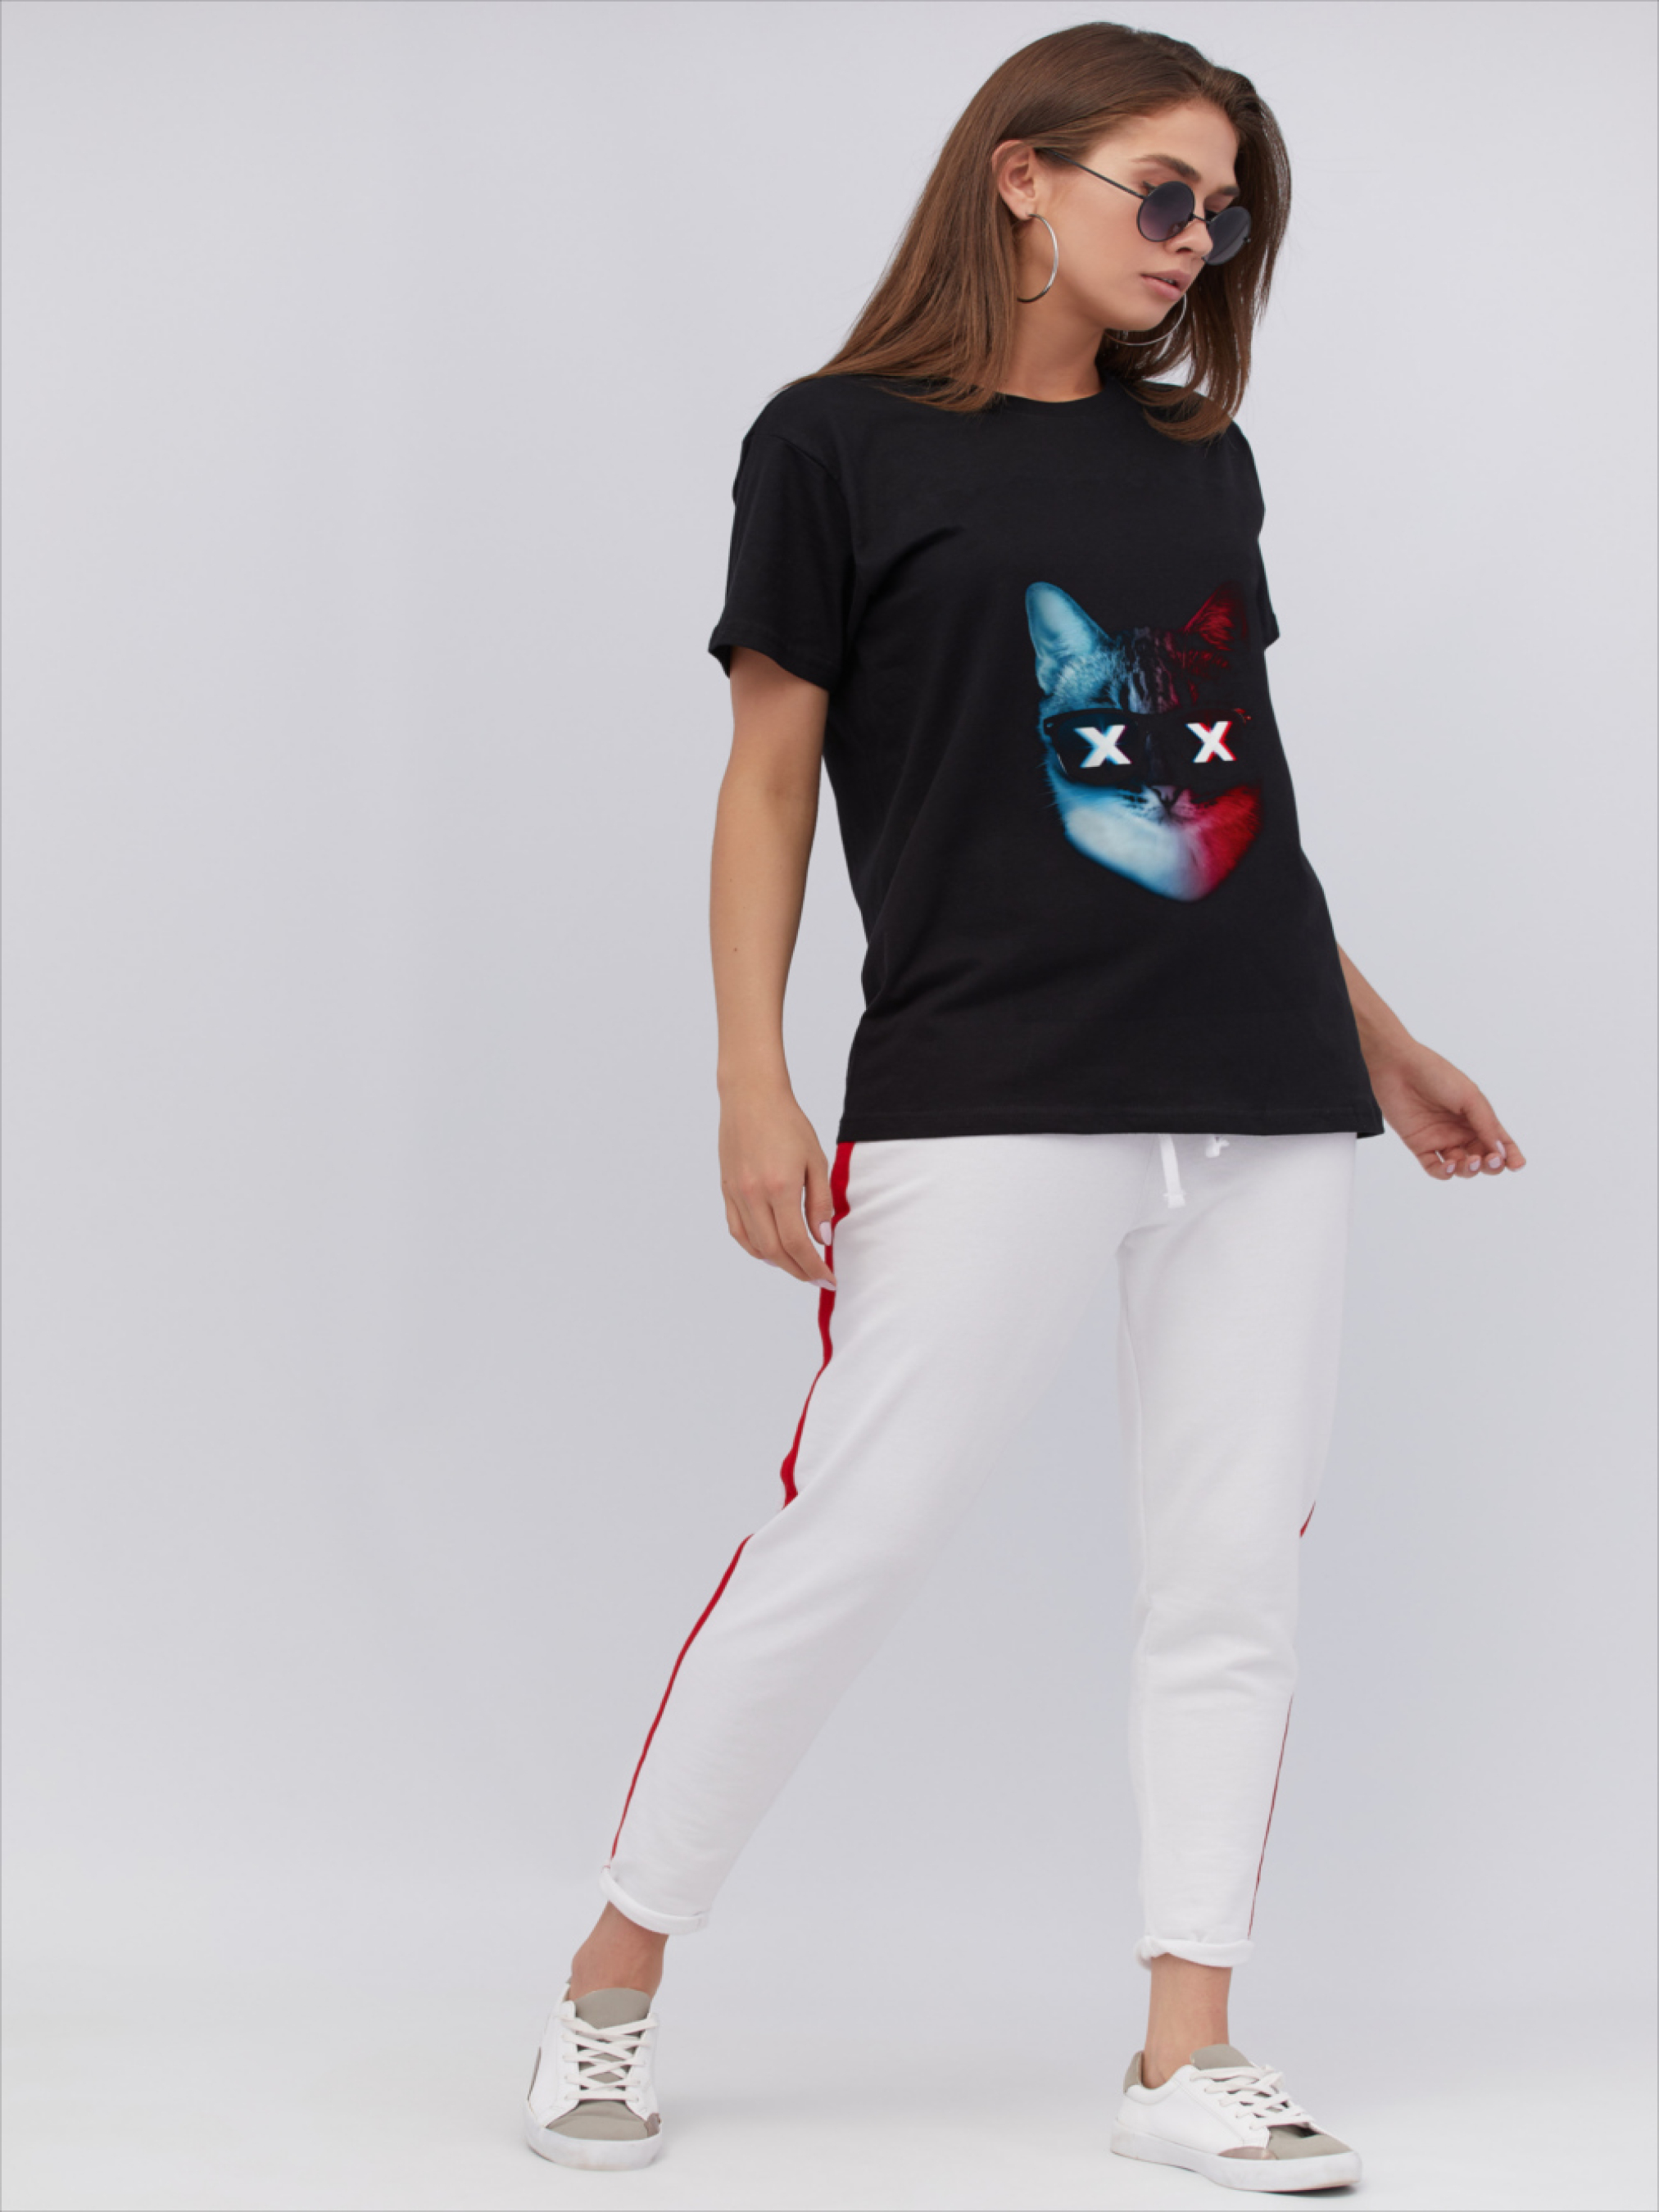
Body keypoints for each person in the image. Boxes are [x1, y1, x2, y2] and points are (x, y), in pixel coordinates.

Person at [522, 20, 1525, 2190]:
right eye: (1162, 191)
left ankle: (1185, 2046)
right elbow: (766, 781)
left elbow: (1224, 787)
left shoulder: (1196, 461)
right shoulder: (834, 445)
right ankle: (611, 1981)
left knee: (1228, 1569)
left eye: (1222, 214)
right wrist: (751, 1077)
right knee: (854, 1529)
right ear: (1019, 175)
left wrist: (1376, 1034)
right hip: (988, 1079)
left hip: (1258, 1080)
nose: (1193, 239)